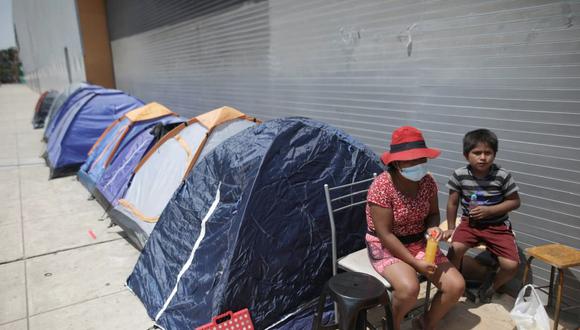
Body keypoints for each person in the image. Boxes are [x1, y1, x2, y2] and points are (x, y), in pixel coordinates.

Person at [366, 126, 465, 330]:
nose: (419, 165)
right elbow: (385, 234)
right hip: (386, 246)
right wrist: (414, 263)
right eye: (412, 160)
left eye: (422, 159)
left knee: (456, 286)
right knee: (409, 289)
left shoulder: (427, 181)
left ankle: (425, 323)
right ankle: (391, 324)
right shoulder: (382, 187)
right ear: (397, 162)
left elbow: (433, 215)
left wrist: (432, 229)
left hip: (419, 242)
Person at [445, 128, 521, 303]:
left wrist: (490, 210)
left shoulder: (502, 176)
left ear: (494, 154)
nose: (482, 157)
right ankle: (457, 286)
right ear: (466, 155)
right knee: (454, 251)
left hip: (498, 226)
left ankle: (491, 286)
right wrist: (450, 228)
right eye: (477, 152)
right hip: (469, 224)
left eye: (488, 153)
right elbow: (452, 202)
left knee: (511, 266)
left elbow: (515, 202)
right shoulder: (460, 174)